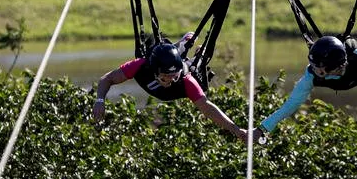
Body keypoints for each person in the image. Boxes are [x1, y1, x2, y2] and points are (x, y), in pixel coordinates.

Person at [92, 35, 247, 142]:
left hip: (185, 70)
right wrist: (100, 100)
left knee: (193, 67)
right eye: (166, 76)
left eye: (174, 75)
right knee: (162, 53)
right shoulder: (140, 66)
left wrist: (236, 130)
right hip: (156, 63)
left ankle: (193, 54)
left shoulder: (185, 80)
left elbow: (207, 108)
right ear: (155, 71)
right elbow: (107, 79)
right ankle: (181, 45)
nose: (171, 80)